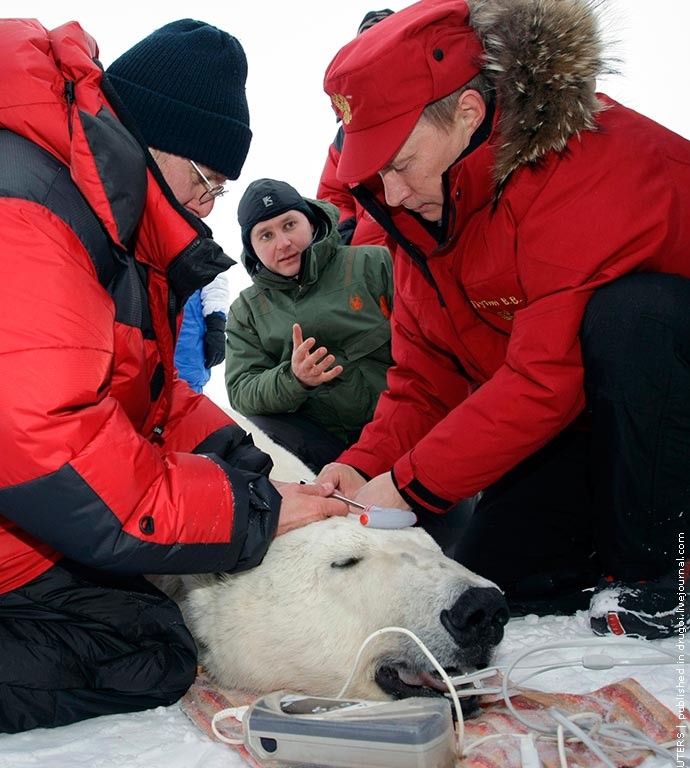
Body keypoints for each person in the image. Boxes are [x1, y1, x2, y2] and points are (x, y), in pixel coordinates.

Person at [0, 17, 347, 735]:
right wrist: (254, 513)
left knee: (144, 617)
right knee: (148, 651)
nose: (206, 206)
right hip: (23, 501)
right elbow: (47, 445)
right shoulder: (30, 217)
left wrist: (245, 461)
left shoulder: (101, 224)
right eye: (205, 180)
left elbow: (148, 392)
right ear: (152, 139)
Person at [320, 0, 690, 639]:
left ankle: (664, 577)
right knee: (496, 577)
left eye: (400, 163)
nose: (393, 194)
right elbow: (424, 382)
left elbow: (544, 381)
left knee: (633, 318)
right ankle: (599, 552)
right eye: (377, 173)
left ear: (466, 112)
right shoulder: (423, 216)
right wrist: (362, 466)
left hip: (659, 401)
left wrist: (405, 487)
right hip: (592, 419)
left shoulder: (584, 163)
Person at [225, 178, 394, 473]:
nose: (283, 243)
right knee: (250, 434)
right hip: (321, 445)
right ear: (251, 249)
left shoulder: (374, 263)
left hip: (398, 429)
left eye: (290, 224)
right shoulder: (246, 311)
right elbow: (241, 390)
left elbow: (430, 337)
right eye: (266, 235)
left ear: (311, 221)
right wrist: (294, 378)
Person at [316, 9, 393, 247]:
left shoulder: (432, 106)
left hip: (428, 249)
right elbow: (333, 195)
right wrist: (345, 237)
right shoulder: (346, 135)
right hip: (368, 260)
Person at [175, 271, 230, 393]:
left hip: (187, 336)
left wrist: (216, 325)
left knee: (186, 386)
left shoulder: (199, 252)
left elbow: (214, 277)